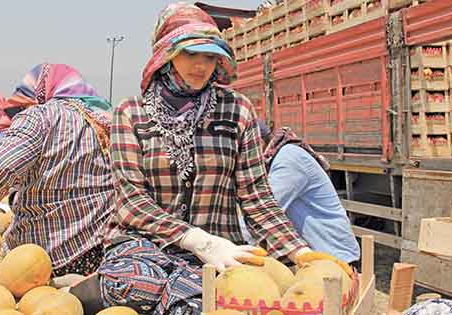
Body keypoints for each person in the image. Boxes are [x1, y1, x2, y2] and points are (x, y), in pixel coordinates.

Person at [68, 4, 352, 315]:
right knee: (135, 285)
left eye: (210, 56)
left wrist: (298, 250)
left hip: (219, 252)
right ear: (167, 54)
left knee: (197, 305)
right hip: (144, 246)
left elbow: (256, 196)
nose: (201, 66)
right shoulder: (130, 113)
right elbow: (132, 201)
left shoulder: (237, 111)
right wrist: (196, 239)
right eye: (191, 54)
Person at [0, 63, 114, 278]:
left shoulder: (41, 117)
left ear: (41, 91)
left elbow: (0, 168)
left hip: (45, 259)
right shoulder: (105, 122)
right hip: (99, 255)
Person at [259, 123, 361, 265]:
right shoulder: (276, 158)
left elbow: (264, 210)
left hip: (335, 259)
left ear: (259, 142)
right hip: (316, 259)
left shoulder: (289, 158)